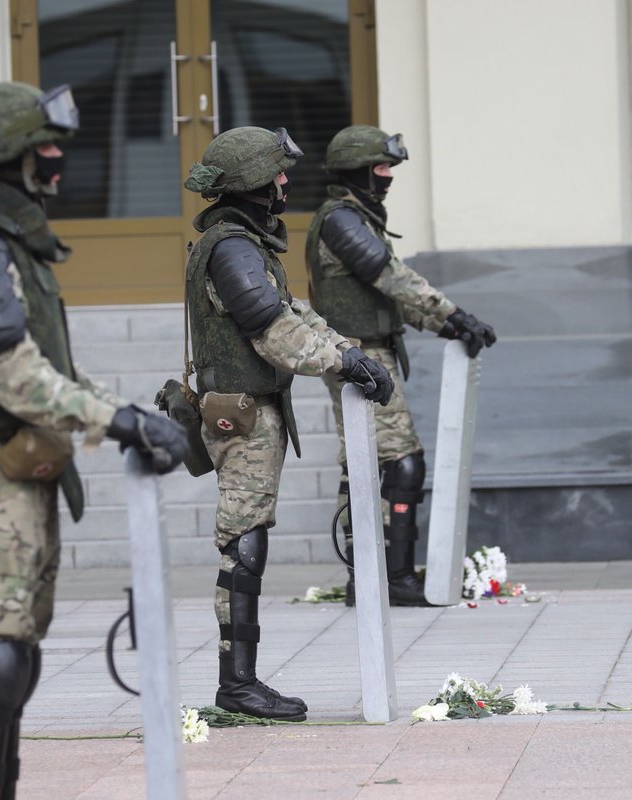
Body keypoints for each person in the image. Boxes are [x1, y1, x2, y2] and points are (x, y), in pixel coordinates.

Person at [0, 80, 187, 800]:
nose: (58, 159)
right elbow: (12, 375)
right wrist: (116, 422)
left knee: (16, 661)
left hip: (22, 478)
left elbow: (56, 370)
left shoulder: (10, 243)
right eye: (45, 147)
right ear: (10, 159)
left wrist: (127, 410)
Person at [182, 126, 394, 721]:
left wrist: (347, 350)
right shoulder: (232, 248)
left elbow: (295, 312)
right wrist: (342, 359)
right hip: (242, 416)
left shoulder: (246, 244)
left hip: (254, 410)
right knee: (243, 544)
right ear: (250, 183)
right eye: (275, 174)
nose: (284, 183)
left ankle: (242, 680)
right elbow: (273, 330)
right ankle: (238, 685)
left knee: (250, 538)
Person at [305, 125, 497, 607]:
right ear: (358, 171)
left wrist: (450, 327)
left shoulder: (359, 217)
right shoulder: (342, 220)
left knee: (369, 465)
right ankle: (391, 578)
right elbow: (391, 279)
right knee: (399, 464)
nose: (389, 177)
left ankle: (371, 575)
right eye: (382, 168)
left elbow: (385, 298)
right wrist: (453, 314)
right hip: (357, 355)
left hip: (366, 351)